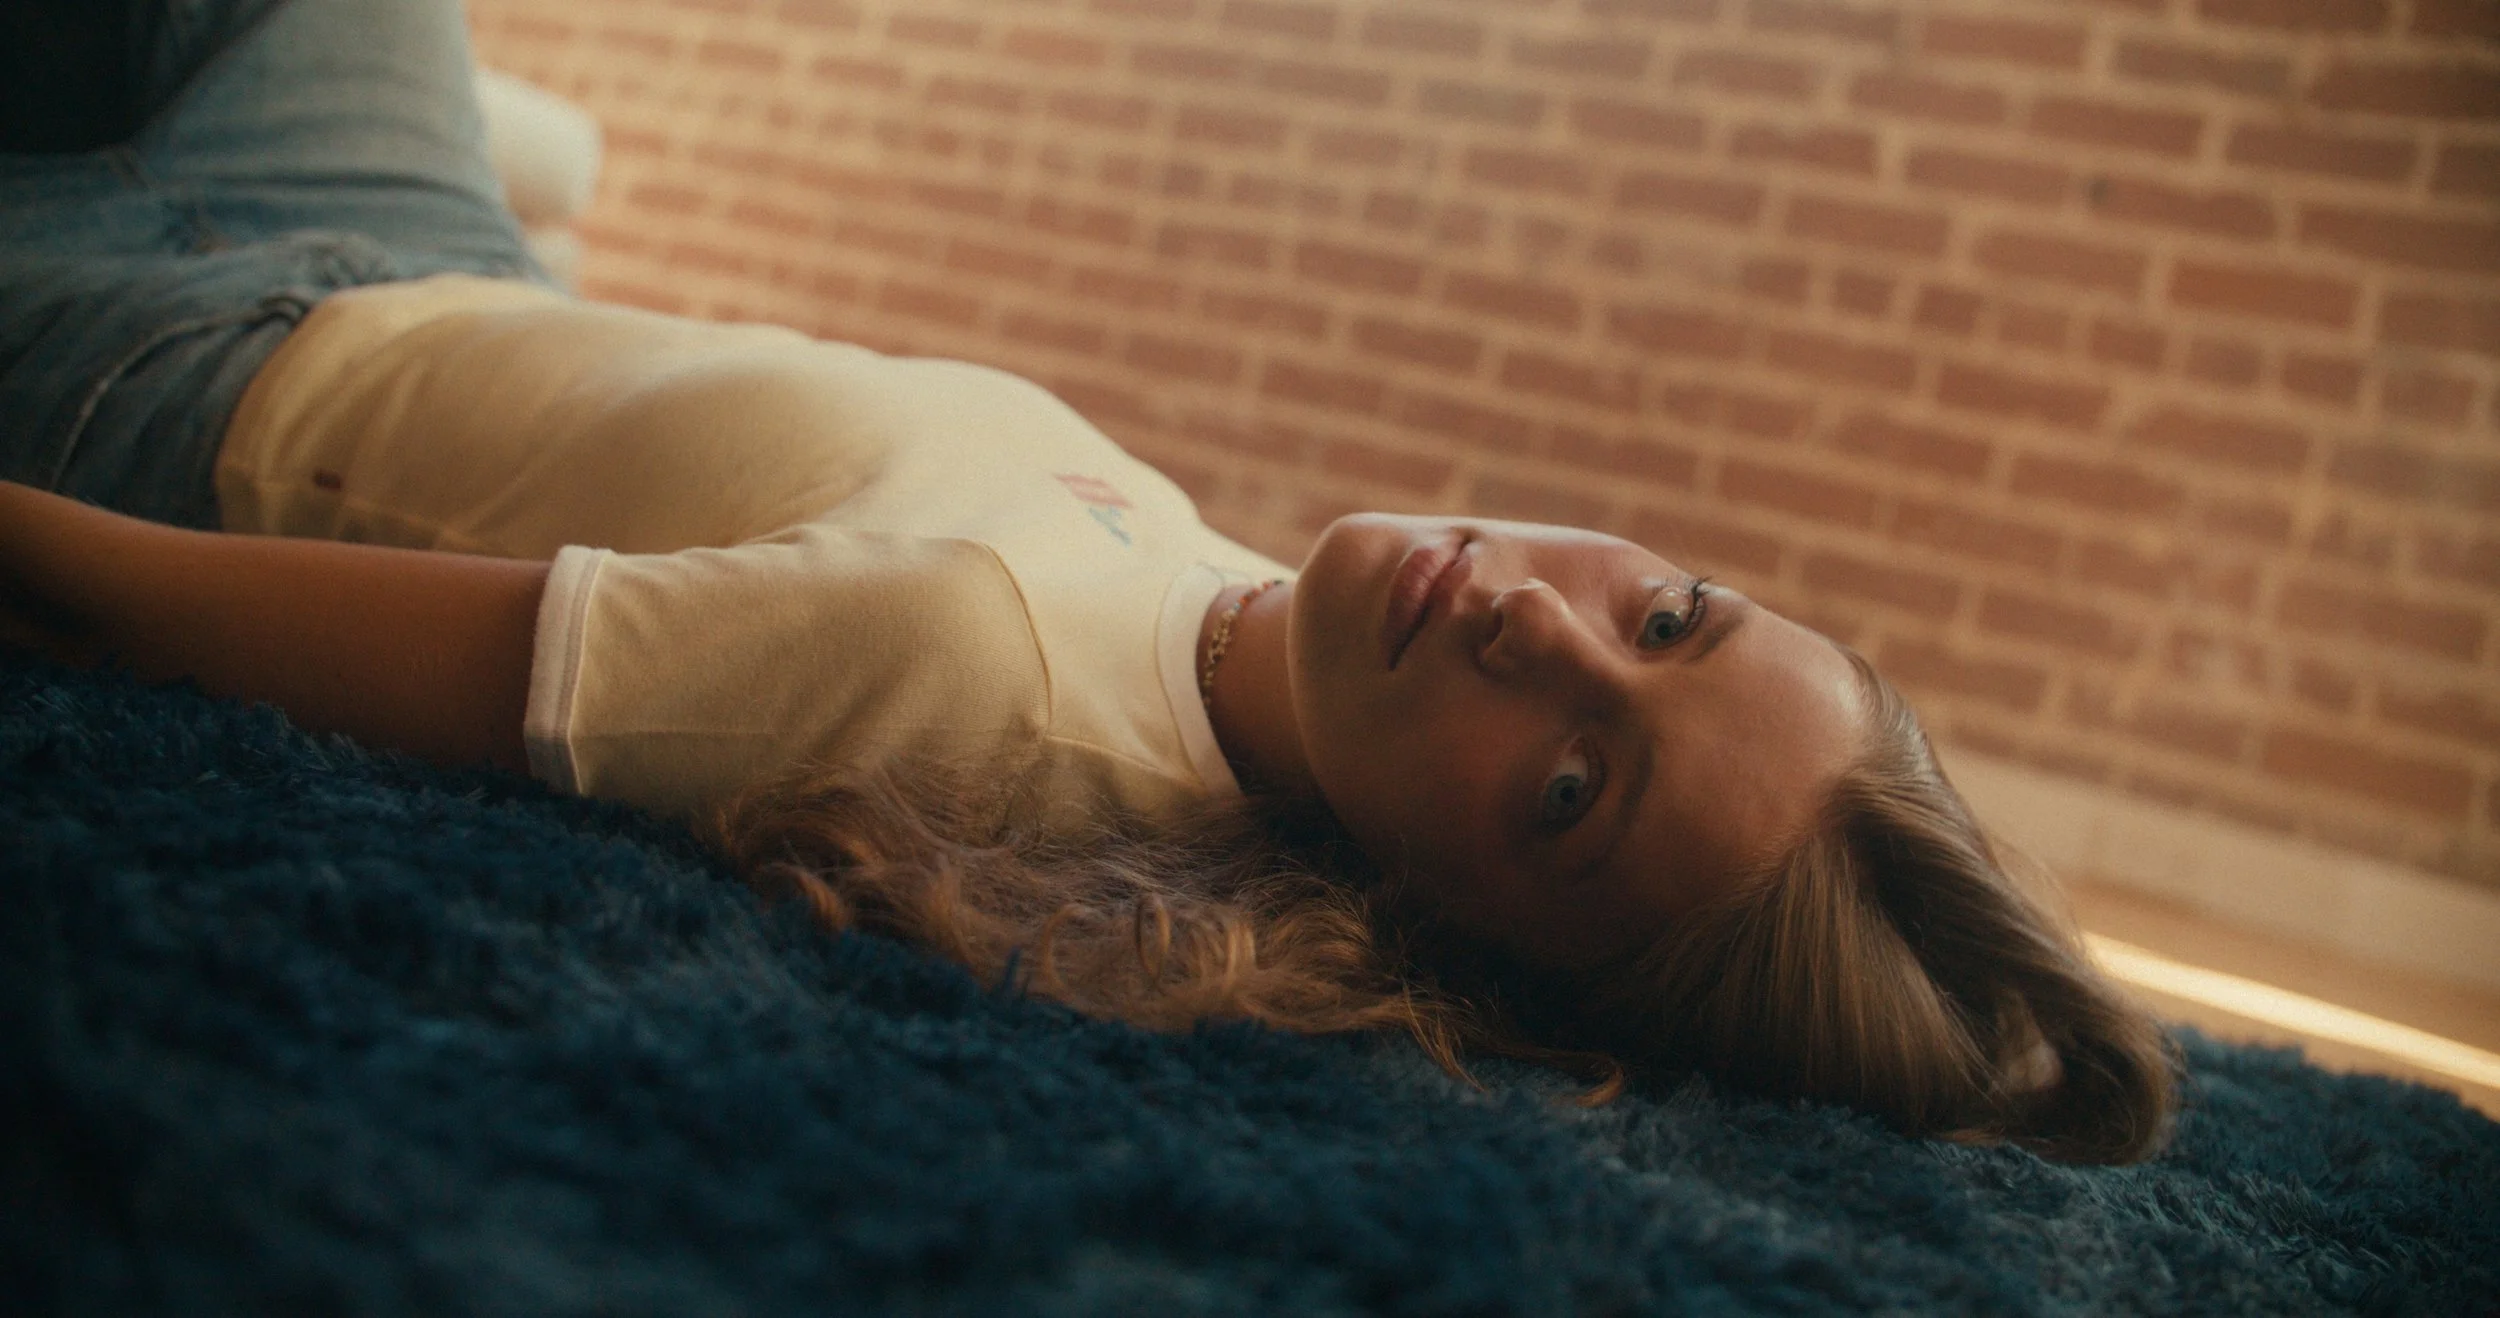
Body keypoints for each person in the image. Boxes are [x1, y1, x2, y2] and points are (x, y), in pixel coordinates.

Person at [0, 0, 2177, 1164]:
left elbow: (126, 616)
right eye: (1668, 613)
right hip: (402, 239)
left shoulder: (968, 672)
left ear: (1463, 925)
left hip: (159, 357)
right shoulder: (1262, 625)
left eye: (1567, 787)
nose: (1548, 624)